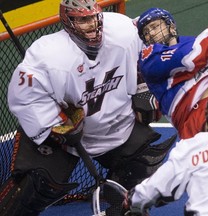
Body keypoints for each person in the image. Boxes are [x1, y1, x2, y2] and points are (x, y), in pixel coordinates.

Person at [0, 1, 176, 215]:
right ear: (68, 21)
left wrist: (143, 87)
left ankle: (120, 208)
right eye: (82, 19)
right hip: (66, 141)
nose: (91, 24)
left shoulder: (121, 30)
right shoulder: (47, 55)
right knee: (32, 188)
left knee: (141, 165)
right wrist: (55, 124)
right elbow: (24, 96)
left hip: (116, 125)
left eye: (93, 17)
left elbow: (146, 52)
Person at [135, 7, 208, 139]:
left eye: (154, 26)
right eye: (146, 32)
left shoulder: (201, 46)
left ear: (171, 26)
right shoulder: (149, 57)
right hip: (195, 117)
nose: (150, 33)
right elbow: (188, 58)